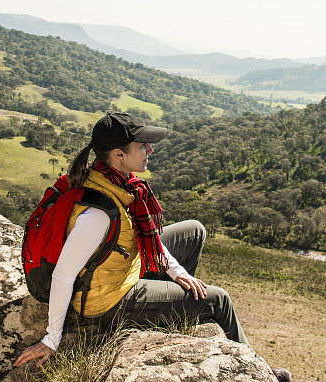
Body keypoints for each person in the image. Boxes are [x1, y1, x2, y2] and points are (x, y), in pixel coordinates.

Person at [14, 112, 291, 381]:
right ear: (118, 155)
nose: (150, 150)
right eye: (142, 145)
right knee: (218, 300)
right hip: (109, 299)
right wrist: (52, 338)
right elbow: (64, 275)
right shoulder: (97, 215)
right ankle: (261, 374)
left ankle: (178, 312)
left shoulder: (118, 182)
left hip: (123, 268)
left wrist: (176, 271)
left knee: (194, 230)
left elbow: (144, 236)